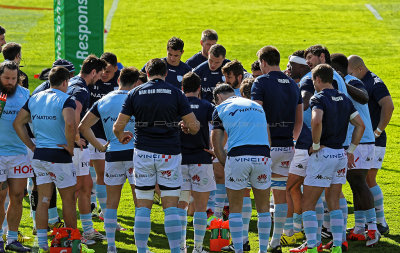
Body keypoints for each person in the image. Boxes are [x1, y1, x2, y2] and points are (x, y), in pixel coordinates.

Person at [113, 58, 200, 253]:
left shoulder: (135, 92)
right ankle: (176, 251)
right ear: (166, 73)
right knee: (170, 207)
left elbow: (117, 127)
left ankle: (142, 251)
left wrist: (122, 136)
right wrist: (186, 128)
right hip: (169, 154)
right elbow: (194, 127)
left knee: (143, 206)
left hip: (143, 153)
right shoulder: (176, 93)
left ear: (148, 73)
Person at [301, 64, 365, 253]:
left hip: (324, 154)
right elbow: (359, 125)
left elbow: (317, 120)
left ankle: (312, 247)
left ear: (318, 79)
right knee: (333, 201)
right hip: (340, 155)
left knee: (308, 203)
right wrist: (351, 149)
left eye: (313, 80)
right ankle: (338, 245)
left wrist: (314, 144)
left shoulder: (318, 98)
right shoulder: (345, 98)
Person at [13, 67, 77, 253]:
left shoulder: (35, 97)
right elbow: (71, 123)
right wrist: (71, 147)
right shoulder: (66, 99)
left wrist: (32, 146)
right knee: (68, 200)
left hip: (40, 156)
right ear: (65, 82)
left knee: (43, 200)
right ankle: (71, 244)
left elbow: (18, 122)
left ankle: (42, 244)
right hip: (59, 156)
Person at [79, 67, 140, 253]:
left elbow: (83, 126)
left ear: (119, 78)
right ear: (136, 82)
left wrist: (99, 146)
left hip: (112, 154)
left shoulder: (103, 100)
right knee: (140, 202)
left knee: (112, 202)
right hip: (134, 154)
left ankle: (111, 247)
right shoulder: (136, 99)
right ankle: (141, 248)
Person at [251, 46, 303, 253]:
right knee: (280, 194)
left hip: (267, 146)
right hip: (288, 146)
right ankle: (275, 243)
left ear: (263, 62)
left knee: (262, 198)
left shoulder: (260, 82)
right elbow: (299, 120)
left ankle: (262, 247)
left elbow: (258, 115)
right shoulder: (292, 84)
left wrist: (266, 143)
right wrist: (292, 139)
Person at [212, 84, 272, 253]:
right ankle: (262, 250)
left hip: (238, 157)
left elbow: (216, 143)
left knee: (235, 210)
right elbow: (267, 136)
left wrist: (226, 164)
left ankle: (239, 250)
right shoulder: (256, 106)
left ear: (218, 98)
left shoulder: (220, 108)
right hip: (262, 156)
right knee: (263, 210)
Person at [331, 53, 380, 247]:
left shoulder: (352, 81)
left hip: (362, 141)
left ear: (338, 69)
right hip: (353, 140)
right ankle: (360, 228)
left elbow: (365, 96)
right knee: (354, 184)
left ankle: (373, 230)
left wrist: (342, 82)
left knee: (360, 183)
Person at [348, 55, 394, 235]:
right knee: (360, 180)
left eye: (351, 73)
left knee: (367, 180)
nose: (349, 77)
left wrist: (378, 131)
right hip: (366, 138)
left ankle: (380, 222)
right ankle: (364, 225)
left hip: (374, 139)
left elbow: (388, 106)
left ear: (359, 69)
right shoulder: (364, 81)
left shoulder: (375, 83)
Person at [67, 55, 107, 244]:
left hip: (68, 146)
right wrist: (76, 138)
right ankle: (81, 233)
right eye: (98, 75)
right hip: (75, 148)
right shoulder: (82, 89)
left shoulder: (72, 81)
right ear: (93, 72)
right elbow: (74, 111)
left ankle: (83, 231)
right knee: (81, 189)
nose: (99, 79)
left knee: (82, 189)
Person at [177, 72, 216, 253]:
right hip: (202, 160)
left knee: (182, 206)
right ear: (199, 89)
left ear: (182, 88)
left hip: (180, 161)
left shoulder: (176, 105)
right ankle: (198, 248)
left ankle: (181, 247)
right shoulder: (207, 106)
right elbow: (219, 128)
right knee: (200, 208)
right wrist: (216, 148)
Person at [0, 61, 33, 252]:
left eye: (13, 78)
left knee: (18, 196)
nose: (10, 82)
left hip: (19, 154)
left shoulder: (25, 94)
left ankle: (12, 239)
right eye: (6, 78)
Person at [87, 52, 121, 227]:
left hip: (113, 135)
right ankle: (103, 211)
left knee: (102, 172)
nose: (104, 74)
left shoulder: (119, 85)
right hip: (95, 133)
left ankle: (97, 205)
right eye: (103, 71)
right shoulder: (94, 83)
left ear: (116, 68)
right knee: (101, 173)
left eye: (108, 71)